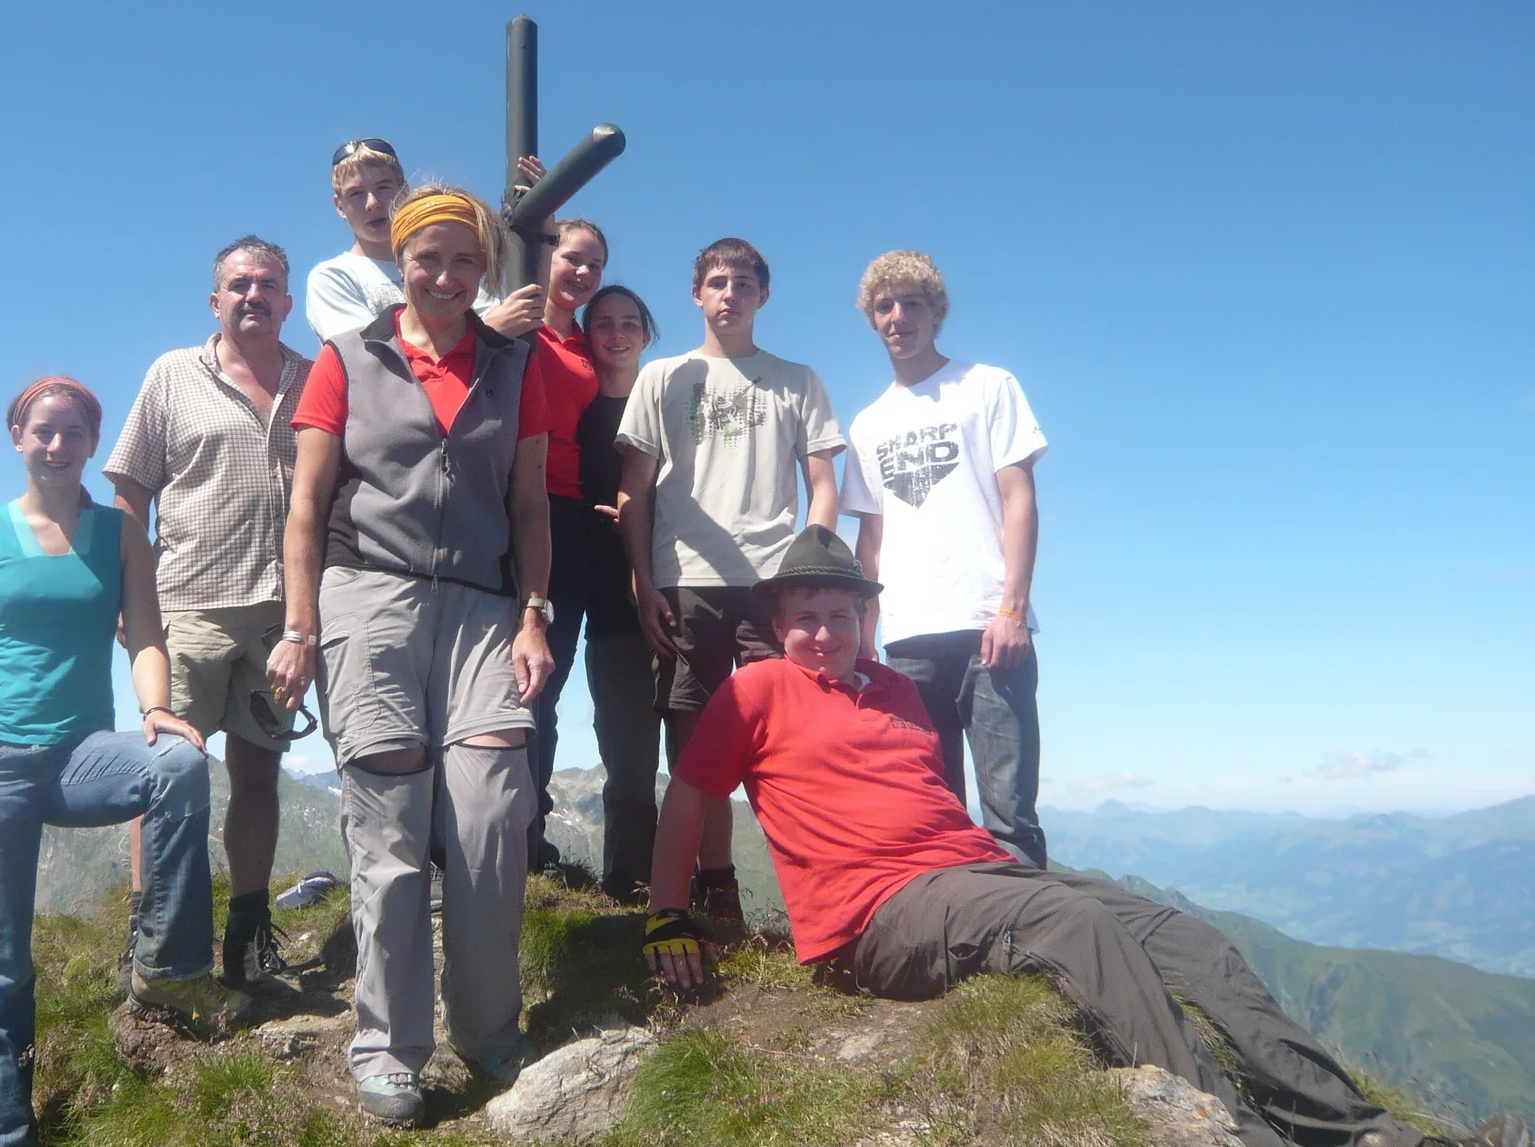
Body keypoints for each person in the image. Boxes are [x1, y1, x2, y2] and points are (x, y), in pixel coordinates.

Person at [640, 526, 1523, 1147]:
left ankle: (1362, 1129)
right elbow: (688, 796)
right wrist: (668, 913)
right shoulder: (755, 691)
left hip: (977, 872)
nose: (825, 632)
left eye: (841, 613)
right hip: (876, 917)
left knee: (1189, 937)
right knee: (1077, 930)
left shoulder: (898, 691)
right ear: (780, 621)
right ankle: (1242, 1138)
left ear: (865, 617)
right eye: (806, 615)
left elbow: (928, 802)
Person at [269, 185, 555, 1125]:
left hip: (484, 604)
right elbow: (307, 504)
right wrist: (301, 627)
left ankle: (488, 1031)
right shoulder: (347, 357)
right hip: (369, 595)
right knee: (389, 827)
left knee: (490, 810)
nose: (444, 275)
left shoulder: (516, 364)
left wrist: (535, 614)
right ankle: (390, 1047)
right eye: (426, 258)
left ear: (484, 269)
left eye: (463, 259)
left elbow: (529, 505)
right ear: (399, 262)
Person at [0, 378, 254, 1147]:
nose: (57, 446)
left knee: (177, 766)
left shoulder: (120, 534)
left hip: (81, 753)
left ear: (92, 444)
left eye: (73, 434)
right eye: (42, 431)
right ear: (17, 436)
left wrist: (157, 711)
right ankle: (2, 1131)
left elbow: (144, 636)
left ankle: (168, 966)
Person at [615, 236, 845, 919]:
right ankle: (714, 892)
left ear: (763, 295)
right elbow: (635, 489)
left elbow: (823, 484)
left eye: (743, 283)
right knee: (695, 750)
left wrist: (813, 572)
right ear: (696, 294)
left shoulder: (796, 379)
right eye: (716, 282)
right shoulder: (662, 377)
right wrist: (642, 579)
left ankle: (824, 896)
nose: (729, 294)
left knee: (792, 741)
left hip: (771, 586)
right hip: (683, 582)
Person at [104, 235, 310, 990]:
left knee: (260, 774)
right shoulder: (171, 376)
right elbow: (130, 492)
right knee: (170, 771)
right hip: (183, 607)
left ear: (289, 301)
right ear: (215, 299)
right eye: (239, 284)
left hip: (280, 619)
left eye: (269, 285)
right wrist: (128, 594)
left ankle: (249, 934)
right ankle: (151, 932)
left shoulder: (315, 381)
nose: (254, 295)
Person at [841, 250, 1049, 867]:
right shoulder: (867, 423)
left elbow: (1020, 500)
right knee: (935, 811)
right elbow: (870, 540)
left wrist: (1012, 609)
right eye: (885, 306)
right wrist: (863, 636)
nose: (898, 316)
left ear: (937, 314)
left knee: (1010, 815)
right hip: (907, 638)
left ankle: (1029, 956)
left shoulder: (988, 386)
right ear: (872, 319)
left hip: (991, 628)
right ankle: (964, 955)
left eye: (912, 304)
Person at [575, 283, 664, 903]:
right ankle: (629, 890)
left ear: (647, 332)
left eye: (629, 321)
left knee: (695, 759)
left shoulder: (668, 405)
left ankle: (689, 889)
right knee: (628, 762)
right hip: (608, 607)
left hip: (678, 596)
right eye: (602, 323)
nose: (616, 333)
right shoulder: (575, 416)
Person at [525, 217, 609, 870]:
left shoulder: (588, 344)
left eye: (594, 265)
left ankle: (528, 829)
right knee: (492, 673)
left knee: (548, 677)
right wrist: (528, 208)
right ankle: (462, 830)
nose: (582, 273)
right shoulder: (512, 315)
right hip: (507, 507)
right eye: (571, 258)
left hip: (570, 514)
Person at [303, 136, 546, 342]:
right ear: (339, 206)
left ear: (404, 191)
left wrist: (546, 217)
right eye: (356, 194)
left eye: (383, 188)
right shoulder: (333, 277)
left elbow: (524, 314)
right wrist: (488, 331)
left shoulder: (448, 266)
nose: (373, 203)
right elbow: (368, 364)